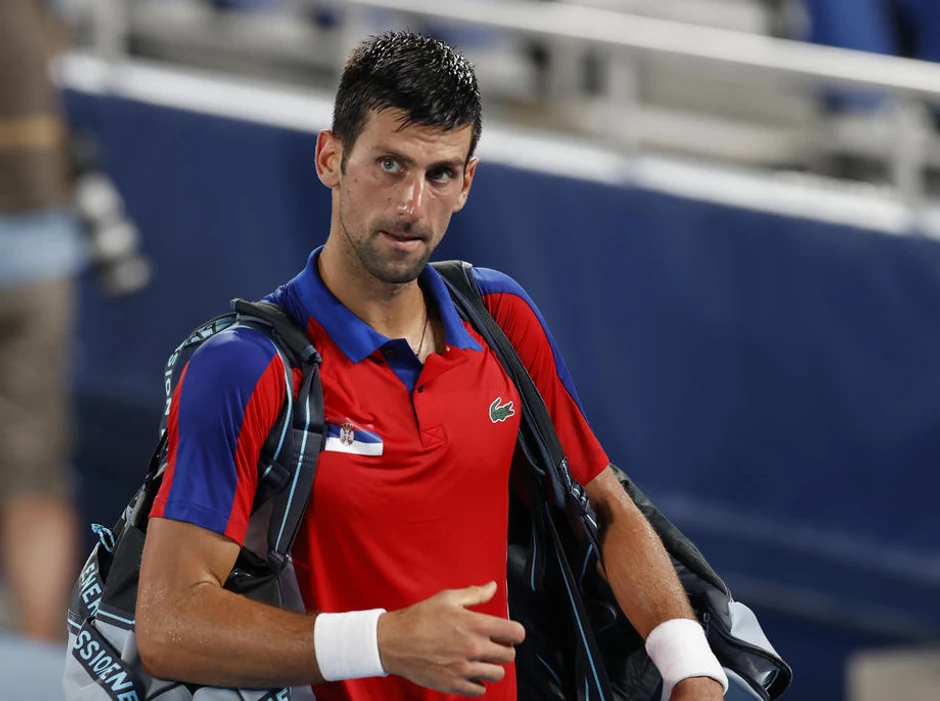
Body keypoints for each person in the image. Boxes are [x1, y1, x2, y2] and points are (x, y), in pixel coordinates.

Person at [135, 31, 727, 701]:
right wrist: (383, 641)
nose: (412, 205)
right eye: (390, 164)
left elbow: (601, 502)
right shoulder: (242, 370)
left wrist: (691, 666)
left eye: (439, 173)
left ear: (466, 182)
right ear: (330, 158)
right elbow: (170, 623)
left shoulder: (500, 317)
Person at [0, 0, 84, 642]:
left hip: (35, 257)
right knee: (34, 478)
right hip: (39, 260)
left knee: (34, 481)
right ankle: (36, 659)